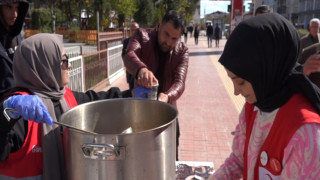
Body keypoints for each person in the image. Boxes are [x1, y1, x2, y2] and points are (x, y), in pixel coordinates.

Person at [0, 33, 132, 180]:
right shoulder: (21, 110)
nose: (69, 65)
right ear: (45, 64)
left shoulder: (65, 97)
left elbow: (98, 101)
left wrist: (134, 93)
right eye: (63, 60)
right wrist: (6, 115)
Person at [212, 13, 320, 179]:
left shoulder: (306, 134)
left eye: (240, 82)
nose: (235, 92)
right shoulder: (256, 104)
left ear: (266, 70)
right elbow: (238, 160)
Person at [123, 10, 189, 160]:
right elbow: (129, 55)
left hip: (167, 113)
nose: (169, 42)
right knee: (139, 159)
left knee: (169, 159)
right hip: (140, 113)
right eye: (166, 34)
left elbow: (180, 82)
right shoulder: (141, 35)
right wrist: (141, 69)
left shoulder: (182, 51)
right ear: (159, 26)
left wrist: (167, 96)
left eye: (174, 38)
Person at [0, 0, 29, 100]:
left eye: (17, 8)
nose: (15, 14)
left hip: (20, 99)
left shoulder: (16, 36)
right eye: (9, 7)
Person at [122, 22, 139, 90]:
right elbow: (123, 55)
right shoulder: (126, 41)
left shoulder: (144, 42)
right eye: (132, 30)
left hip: (140, 74)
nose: (134, 32)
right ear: (130, 31)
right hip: (130, 73)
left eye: (136, 30)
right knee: (131, 93)